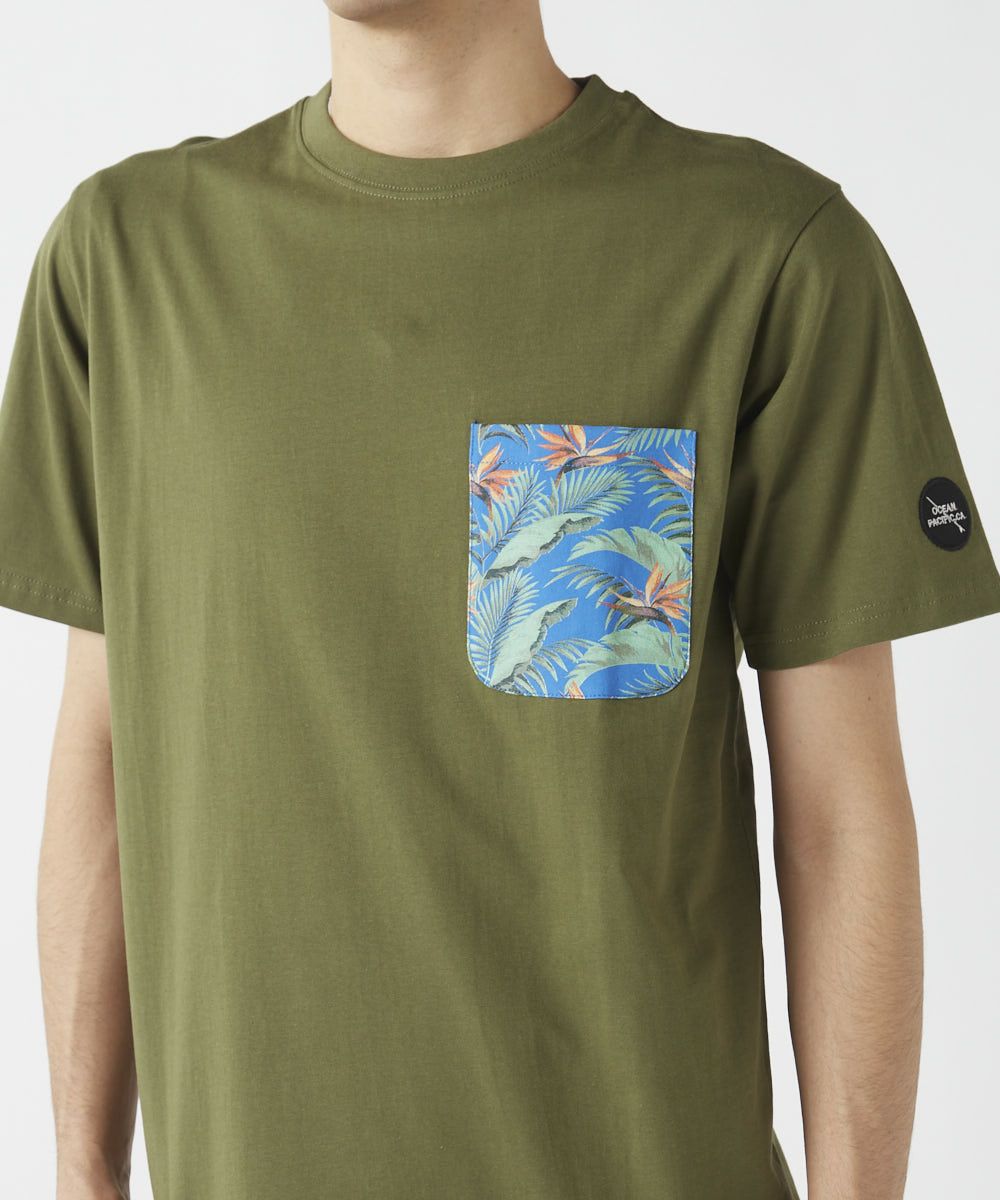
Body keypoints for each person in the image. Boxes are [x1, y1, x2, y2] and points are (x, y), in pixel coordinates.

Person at [1, 2, 998, 1198]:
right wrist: (80, 1170)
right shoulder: (126, 262)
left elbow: (841, 814)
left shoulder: (766, 253)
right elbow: (102, 750)